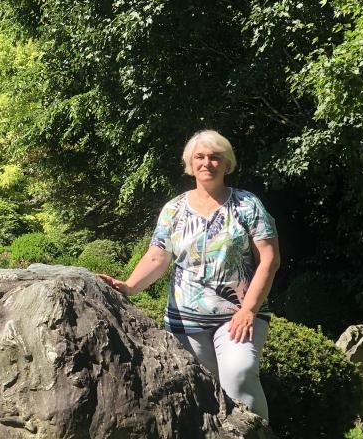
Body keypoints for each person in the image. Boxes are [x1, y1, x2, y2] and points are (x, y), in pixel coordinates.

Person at [97, 130, 280, 419]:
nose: (207, 163)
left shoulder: (247, 205)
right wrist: (129, 286)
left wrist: (249, 309)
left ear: (227, 164)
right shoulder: (174, 209)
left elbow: (269, 259)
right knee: (202, 395)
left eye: (215, 157)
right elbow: (157, 257)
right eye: (200, 157)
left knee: (239, 376)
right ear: (190, 164)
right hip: (185, 323)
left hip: (237, 317)